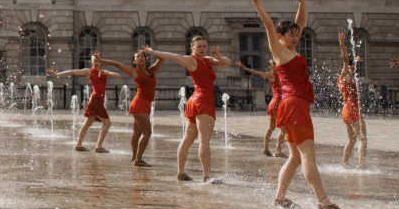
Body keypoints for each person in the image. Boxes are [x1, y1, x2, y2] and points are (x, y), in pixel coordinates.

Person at [247, 0, 348, 209]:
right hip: (294, 105)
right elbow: (269, 25)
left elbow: (300, 22)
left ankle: (280, 197)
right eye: (290, 34)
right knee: (307, 156)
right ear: (280, 37)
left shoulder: (291, 49)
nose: (295, 37)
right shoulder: (279, 51)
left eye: (296, 34)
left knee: (294, 157)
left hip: (293, 105)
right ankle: (323, 201)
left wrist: (301, 3)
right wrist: (257, 3)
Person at [141, 36, 231, 183]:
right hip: (203, 101)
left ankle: (181, 172)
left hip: (195, 100)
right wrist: (153, 51)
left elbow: (227, 62)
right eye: (199, 46)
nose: (202, 49)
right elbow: (173, 56)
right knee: (204, 140)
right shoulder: (191, 60)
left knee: (188, 139)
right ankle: (207, 175)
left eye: (204, 46)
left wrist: (219, 56)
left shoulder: (207, 60)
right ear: (192, 48)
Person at [98, 49, 164, 165]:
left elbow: (162, 58)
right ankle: (138, 159)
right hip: (139, 104)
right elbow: (117, 64)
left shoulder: (151, 70)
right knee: (147, 133)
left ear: (146, 58)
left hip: (145, 104)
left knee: (137, 133)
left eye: (142, 56)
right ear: (134, 61)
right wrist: (101, 60)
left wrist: (152, 51)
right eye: (138, 57)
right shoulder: (135, 72)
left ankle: (134, 157)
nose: (141, 58)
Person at [47, 52, 121, 153]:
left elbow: (118, 76)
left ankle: (78, 145)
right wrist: (57, 74)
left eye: (98, 61)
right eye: (95, 61)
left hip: (98, 100)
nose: (97, 63)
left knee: (87, 124)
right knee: (107, 123)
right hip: (95, 100)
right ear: (91, 62)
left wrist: (107, 73)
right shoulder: (89, 71)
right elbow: (73, 71)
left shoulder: (104, 72)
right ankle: (98, 146)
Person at [236, 58, 286, 157]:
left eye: (277, 63)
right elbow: (258, 73)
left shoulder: (280, 75)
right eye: (273, 64)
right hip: (277, 104)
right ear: (270, 67)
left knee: (271, 128)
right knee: (283, 130)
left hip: (276, 103)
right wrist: (245, 68)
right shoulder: (271, 75)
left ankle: (266, 149)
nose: (276, 65)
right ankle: (278, 151)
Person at [337, 30, 367, 169]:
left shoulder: (341, 79)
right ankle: (362, 166)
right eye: (352, 67)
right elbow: (345, 59)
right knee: (362, 138)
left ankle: (344, 164)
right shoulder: (346, 74)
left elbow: (348, 64)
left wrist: (354, 61)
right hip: (353, 109)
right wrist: (342, 43)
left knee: (352, 140)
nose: (354, 69)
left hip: (346, 110)